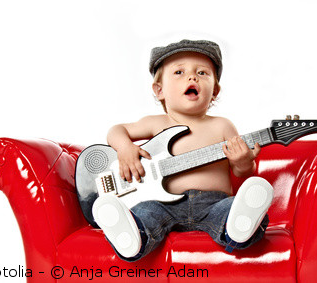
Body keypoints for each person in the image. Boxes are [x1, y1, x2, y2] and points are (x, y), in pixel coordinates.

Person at [92, 39, 274, 261]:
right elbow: (116, 130)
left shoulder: (223, 126)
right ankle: (132, 236)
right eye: (179, 72)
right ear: (159, 90)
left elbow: (241, 173)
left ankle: (237, 228)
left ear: (215, 91)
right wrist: (125, 148)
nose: (192, 77)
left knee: (232, 208)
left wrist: (244, 162)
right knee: (146, 212)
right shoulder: (156, 123)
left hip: (214, 204)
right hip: (163, 206)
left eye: (202, 73)